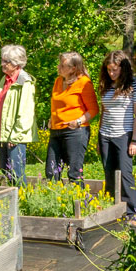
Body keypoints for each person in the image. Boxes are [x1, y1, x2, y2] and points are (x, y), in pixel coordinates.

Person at [97, 50, 136, 219]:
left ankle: (133, 212)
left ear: (123, 68)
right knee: (109, 173)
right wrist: (98, 138)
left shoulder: (134, 84)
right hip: (105, 135)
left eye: (115, 69)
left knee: (125, 173)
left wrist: (134, 140)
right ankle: (112, 210)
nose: (112, 73)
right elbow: (103, 111)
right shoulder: (105, 85)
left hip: (124, 134)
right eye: (109, 69)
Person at [47, 52, 99, 184]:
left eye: (62, 65)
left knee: (74, 172)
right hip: (56, 130)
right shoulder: (58, 81)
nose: (59, 67)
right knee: (51, 171)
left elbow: (93, 110)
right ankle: (54, 199)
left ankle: (78, 202)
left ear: (73, 68)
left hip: (75, 131)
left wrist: (78, 122)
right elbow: (56, 104)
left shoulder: (84, 82)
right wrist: (51, 119)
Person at [0, 44, 36, 184]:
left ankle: (22, 202)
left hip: (14, 136)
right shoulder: (5, 80)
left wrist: (15, 136)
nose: (2, 64)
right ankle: (12, 202)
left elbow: (26, 112)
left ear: (16, 63)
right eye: (2, 60)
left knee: (17, 173)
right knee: (7, 171)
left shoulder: (25, 81)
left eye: (6, 61)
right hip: (4, 134)